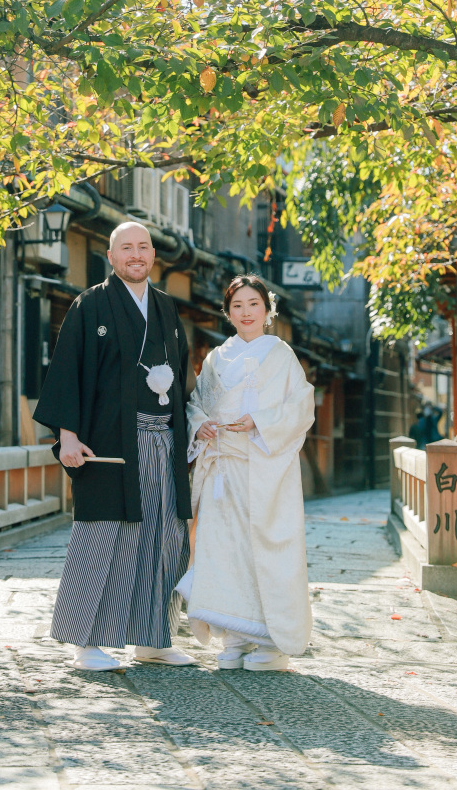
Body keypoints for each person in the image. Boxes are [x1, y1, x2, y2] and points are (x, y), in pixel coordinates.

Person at [34, 221, 194, 671]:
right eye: (127, 248)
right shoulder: (91, 304)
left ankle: (153, 637)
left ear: (153, 256)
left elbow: (181, 380)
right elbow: (67, 370)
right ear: (112, 256)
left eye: (143, 247)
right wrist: (66, 434)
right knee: (102, 536)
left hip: (164, 440)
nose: (136, 255)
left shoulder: (165, 307)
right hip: (110, 442)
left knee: (163, 538)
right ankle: (86, 642)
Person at [177, 274, 315, 672]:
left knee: (264, 550)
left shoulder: (281, 354)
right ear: (227, 312)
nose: (246, 312)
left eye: (254, 304)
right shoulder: (218, 357)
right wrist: (199, 423)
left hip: (262, 469)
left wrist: (258, 420)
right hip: (222, 468)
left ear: (268, 310)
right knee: (222, 552)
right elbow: (195, 403)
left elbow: (301, 407)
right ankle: (234, 635)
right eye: (237, 305)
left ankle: (271, 641)